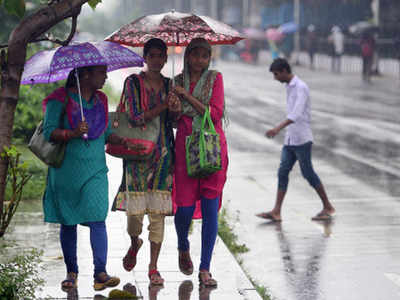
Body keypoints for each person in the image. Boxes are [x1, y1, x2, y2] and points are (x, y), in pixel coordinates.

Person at [42, 65, 129, 291]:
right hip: (66, 172)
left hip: (96, 171)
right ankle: (72, 273)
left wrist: (117, 138)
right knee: (68, 222)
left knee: (97, 218)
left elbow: (102, 129)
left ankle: (100, 272)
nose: (106, 77)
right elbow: (48, 131)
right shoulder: (59, 100)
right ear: (85, 75)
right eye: (102, 73)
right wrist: (72, 133)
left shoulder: (100, 99)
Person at [114, 38, 178, 286]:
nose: (156, 60)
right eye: (151, 55)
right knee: (135, 213)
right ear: (145, 57)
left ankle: (153, 267)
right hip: (137, 153)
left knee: (158, 212)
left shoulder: (170, 84)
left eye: (160, 55)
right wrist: (164, 105)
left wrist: (174, 108)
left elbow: (172, 121)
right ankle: (134, 242)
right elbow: (135, 117)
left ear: (165, 58)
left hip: (163, 154)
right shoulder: (133, 82)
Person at [171, 38, 228, 287]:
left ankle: (205, 268)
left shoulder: (216, 79)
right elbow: (172, 119)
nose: (200, 60)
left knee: (210, 209)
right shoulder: (176, 82)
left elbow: (214, 113)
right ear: (187, 56)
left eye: (205, 56)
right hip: (185, 151)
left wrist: (186, 98)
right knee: (182, 209)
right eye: (196, 55)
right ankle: (183, 244)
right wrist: (173, 106)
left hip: (212, 149)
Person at [256, 58, 335, 222]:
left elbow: (296, 114)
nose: (275, 78)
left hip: (302, 139)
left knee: (308, 173)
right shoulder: (289, 87)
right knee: (282, 171)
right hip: (290, 139)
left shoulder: (301, 88)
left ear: (285, 71)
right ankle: (276, 211)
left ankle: (327, 206)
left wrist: (277, 128)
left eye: (276, 74)